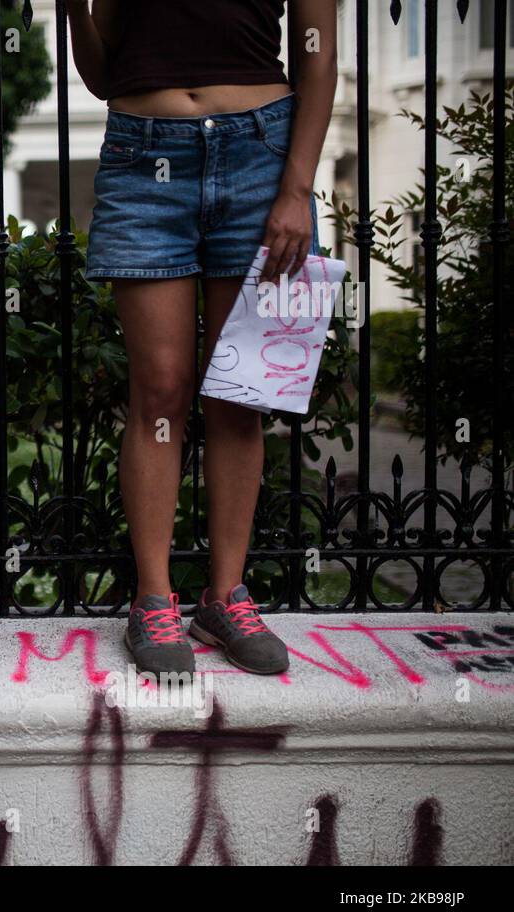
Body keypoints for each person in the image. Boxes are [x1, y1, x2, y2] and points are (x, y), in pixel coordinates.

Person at [65, 0, 337, 675]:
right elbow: (104, 76)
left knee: (241, 393)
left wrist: (296, 189)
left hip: (262, 158)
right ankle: (154, 598)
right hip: (143, 155)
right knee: (159, 389)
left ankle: (226, 597)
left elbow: (318, 58)